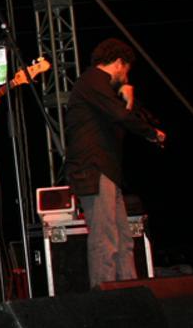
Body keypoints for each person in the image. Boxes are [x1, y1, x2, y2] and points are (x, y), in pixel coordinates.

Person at [63, 38, 165, 287]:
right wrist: (151, 133)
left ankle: (128, 291)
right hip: (93, 168)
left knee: (123, 238)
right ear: (119, 63)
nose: (126, 77)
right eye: (126, 70)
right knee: (105, 238)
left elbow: (116, 122)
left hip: (106, 170)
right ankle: (105, 295)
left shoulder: (99, 89)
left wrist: (128, 104)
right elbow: (120, 116)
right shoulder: (93, 80)